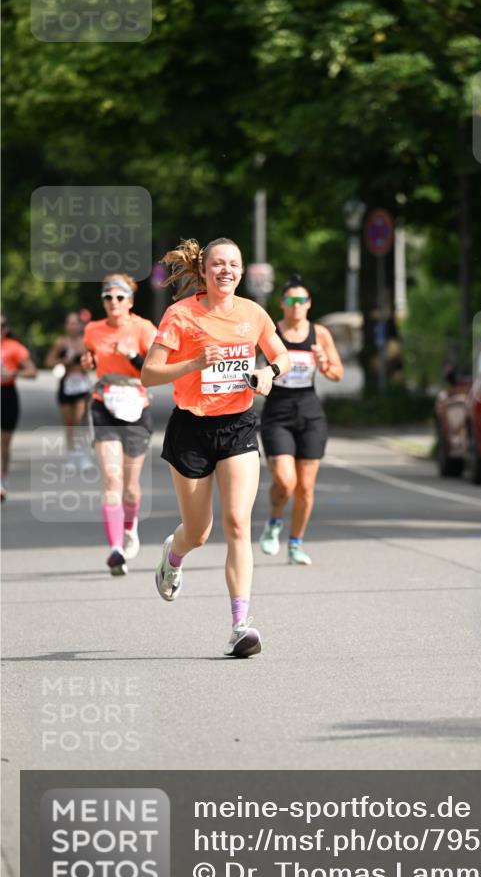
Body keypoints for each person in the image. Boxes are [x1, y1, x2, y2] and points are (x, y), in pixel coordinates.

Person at [141, 236, 289, 658]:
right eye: (218, 264)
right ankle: (173, 556)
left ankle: (240, 626)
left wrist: (269, 372)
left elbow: (283, 356)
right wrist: (194, 363)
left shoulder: (253, 313)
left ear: (242, 271)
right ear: (204, 271)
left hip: (237, 426)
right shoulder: (181, 314)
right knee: (199, 532)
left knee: (238, 524)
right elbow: (149, 374)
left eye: (234, 264)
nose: (226, 270)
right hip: (191, 429)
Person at [259, 274, 343, 565]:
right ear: (282, 303)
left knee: (305, 488)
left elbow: (337, 373)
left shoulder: (320, 334)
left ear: (309, 303)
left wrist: (324, 364)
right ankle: (274, 522)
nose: (297, 305)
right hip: (277, 414)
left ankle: (295, 543)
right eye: (291, 300)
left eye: (302, 300)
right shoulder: (271, 332)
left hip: (310, 414)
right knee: (285, 481)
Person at [82, 275, 156, 576]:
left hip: (136, 405)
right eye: (108, 297)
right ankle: (115, 550)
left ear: (130, 301)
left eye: (119, 297)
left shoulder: (143, 328)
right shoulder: (93, 330)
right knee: (112, 479)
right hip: (104, 404)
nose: (113, 302)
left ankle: (129, 526)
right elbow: (91, 357)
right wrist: (88, 362)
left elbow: (155, 369)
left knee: (131, 487)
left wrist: (133, 356)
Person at [45, 312, 91, 467]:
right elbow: (49, 362)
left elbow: (94, 362)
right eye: (69, 323)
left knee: (80, 419)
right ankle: (71, 454)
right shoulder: (61, 342)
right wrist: (64, 361)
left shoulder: (86, 342)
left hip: (82, 385)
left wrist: (85, 364)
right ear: (66, 326)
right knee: (69, 422)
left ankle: (83, 454)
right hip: (66, 385)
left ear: (80, 325)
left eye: (75, 323)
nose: (72, 326)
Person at [0, 315, 37, 502]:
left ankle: (3, 477)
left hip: (7, 394)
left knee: (4, 443)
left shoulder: (14, 347)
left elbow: (32, 371)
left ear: (6, 329)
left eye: (1, 326)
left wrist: (14, 373)